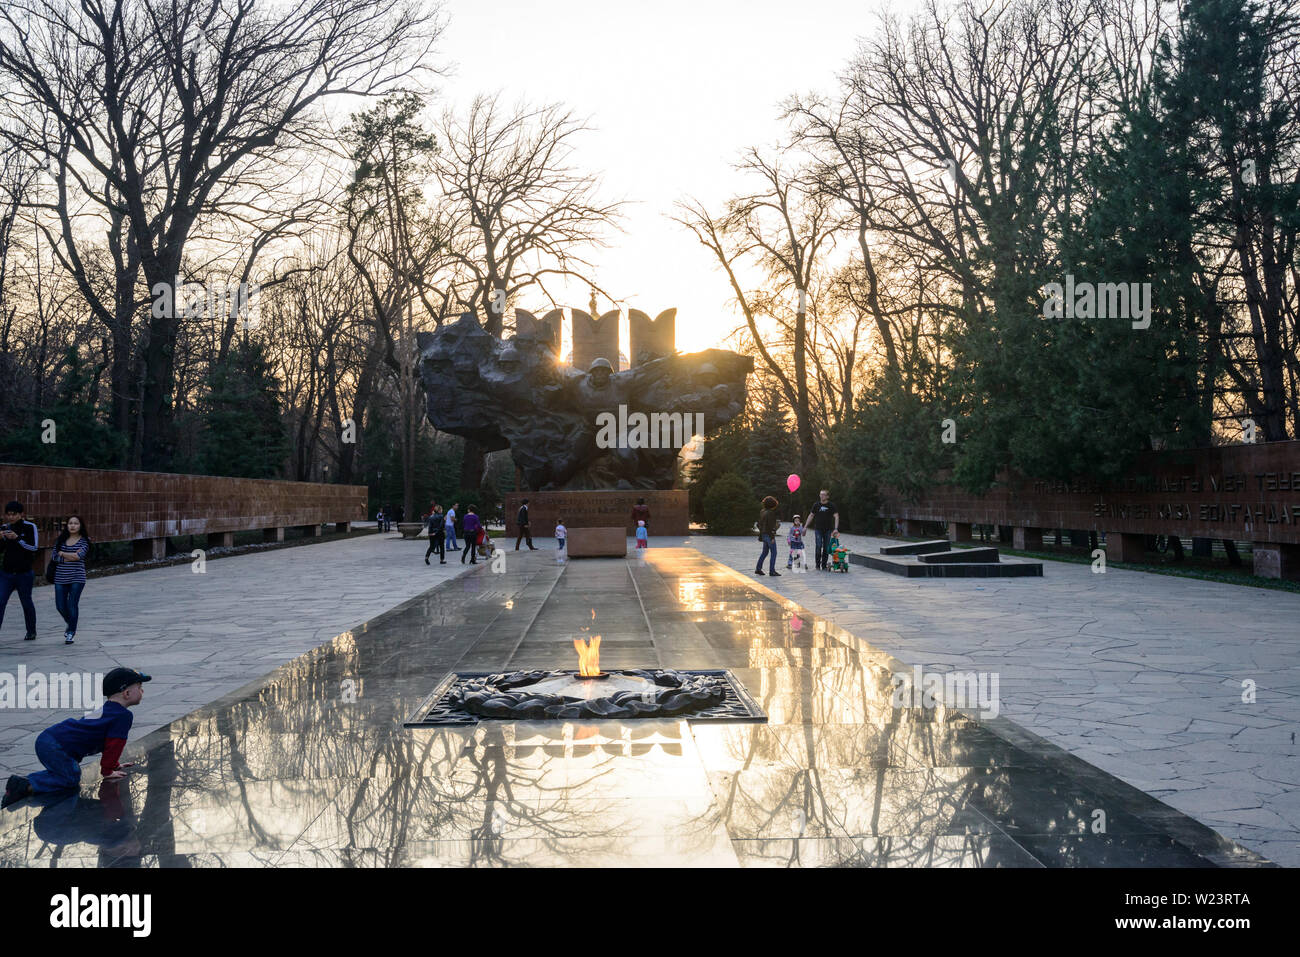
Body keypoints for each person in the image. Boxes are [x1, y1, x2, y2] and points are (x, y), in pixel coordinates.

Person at [3, 668, 152, 807]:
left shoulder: (108, 709)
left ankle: (23, 783)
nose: (142, 691)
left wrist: (114, 765)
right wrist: (107, 771)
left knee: (64, 773)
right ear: (126, 693)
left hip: (50, 739)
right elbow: (114, 745)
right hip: (57, 746)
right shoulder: (122, 716)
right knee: (70, 778)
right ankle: (25, 786)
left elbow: (104, 741)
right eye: (139, 687)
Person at [0, 500, 39, 641]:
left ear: (21, 514)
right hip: (6, 573)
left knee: (26, 602)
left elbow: (34, 547)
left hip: (24, 573)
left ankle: (31, 631)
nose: (11, 517)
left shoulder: (30, 527)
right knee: (0, 601)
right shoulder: (5, 527)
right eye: (8, 514)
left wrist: (17, 539)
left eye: (14, 514)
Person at [52, 515, 90, 644]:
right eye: (70, 523)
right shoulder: (60, 540)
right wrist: (70, 555)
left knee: (72, 604)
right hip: (60, 577)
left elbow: (79, 556)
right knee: (60, 606)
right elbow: (54, 557)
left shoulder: (84, 541)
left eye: (76, 523)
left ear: (80, 526)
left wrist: (62, 553)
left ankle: (71, 632)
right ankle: (71, 623)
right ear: (66, 525)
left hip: (77, 577)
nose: (72, 525)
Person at [809, 489, 840, 571]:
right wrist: (805, 527)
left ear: (827, 496)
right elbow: (811, 515)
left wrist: (836, 529)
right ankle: (817, 565)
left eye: (823, 494)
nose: (821, 496)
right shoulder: (816, 505)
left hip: (828, 530)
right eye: (820, 494)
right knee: (818, 546)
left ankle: (824, 565)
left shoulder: (831, 505)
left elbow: (836, 516)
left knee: (826, 547)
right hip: (818, 529)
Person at [755, 495, 781, 577]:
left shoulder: (762, 511)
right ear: (773, 504)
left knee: (764, 552)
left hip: (764, 534)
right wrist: (772, 537)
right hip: (769, 535)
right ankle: (772, 571)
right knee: (774, 553)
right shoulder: (771, 513)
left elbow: (758, 524)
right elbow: (771, 527)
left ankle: (758, 569)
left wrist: (762, 532)